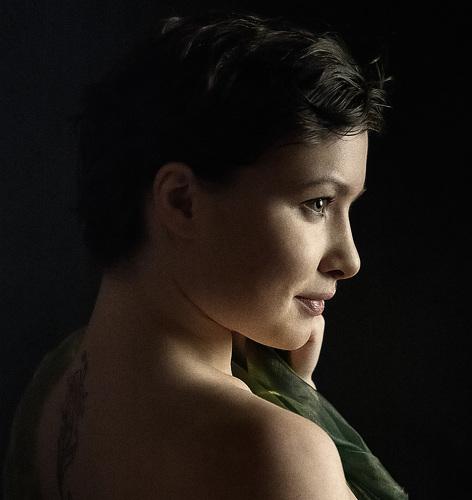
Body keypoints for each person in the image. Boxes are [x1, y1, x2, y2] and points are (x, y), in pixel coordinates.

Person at [3, 10, 409, 499]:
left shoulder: (56, 386)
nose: (349, 259)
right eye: (317, 203)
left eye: (347, 207)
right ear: (182, 201)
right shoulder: (275, 453)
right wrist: (296, 425)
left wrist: (290, 392)